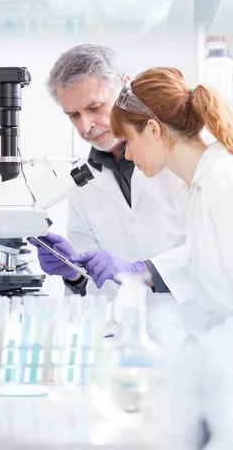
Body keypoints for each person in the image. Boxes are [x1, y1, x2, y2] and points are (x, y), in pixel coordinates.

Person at [71, 67, 233, 374]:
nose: (130, 156)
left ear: (152, 129)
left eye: (129, 141)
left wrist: (197, 364)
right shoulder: (201, 187)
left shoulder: (228, 183)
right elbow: (205, 266)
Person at [31, 44, 189, 300]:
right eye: (73, 115)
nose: (86, 126)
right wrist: (74, 273)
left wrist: (143, 271)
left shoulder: (178, 154)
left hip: (197, 330)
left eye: (95, 107)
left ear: (125, 88)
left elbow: (214, 254)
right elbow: (94, 285)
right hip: (124, 331)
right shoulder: (81, 179)